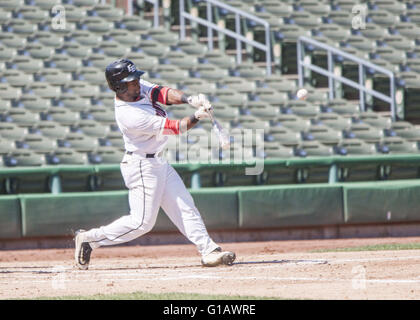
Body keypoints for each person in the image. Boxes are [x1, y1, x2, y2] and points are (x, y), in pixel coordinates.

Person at [74, 59, 236, 270]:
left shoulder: (136, 88)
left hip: (158, 160)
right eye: (132, 81)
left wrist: (189, 99)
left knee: (185, 205)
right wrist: (197, 116)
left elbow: (161, 93)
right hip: (141, 165)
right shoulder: (129, 114)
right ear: (120, 86)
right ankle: (90, 239)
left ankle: (209, 250)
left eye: (136, 78)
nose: (138, 82)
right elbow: (175, 127)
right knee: (141, 223)